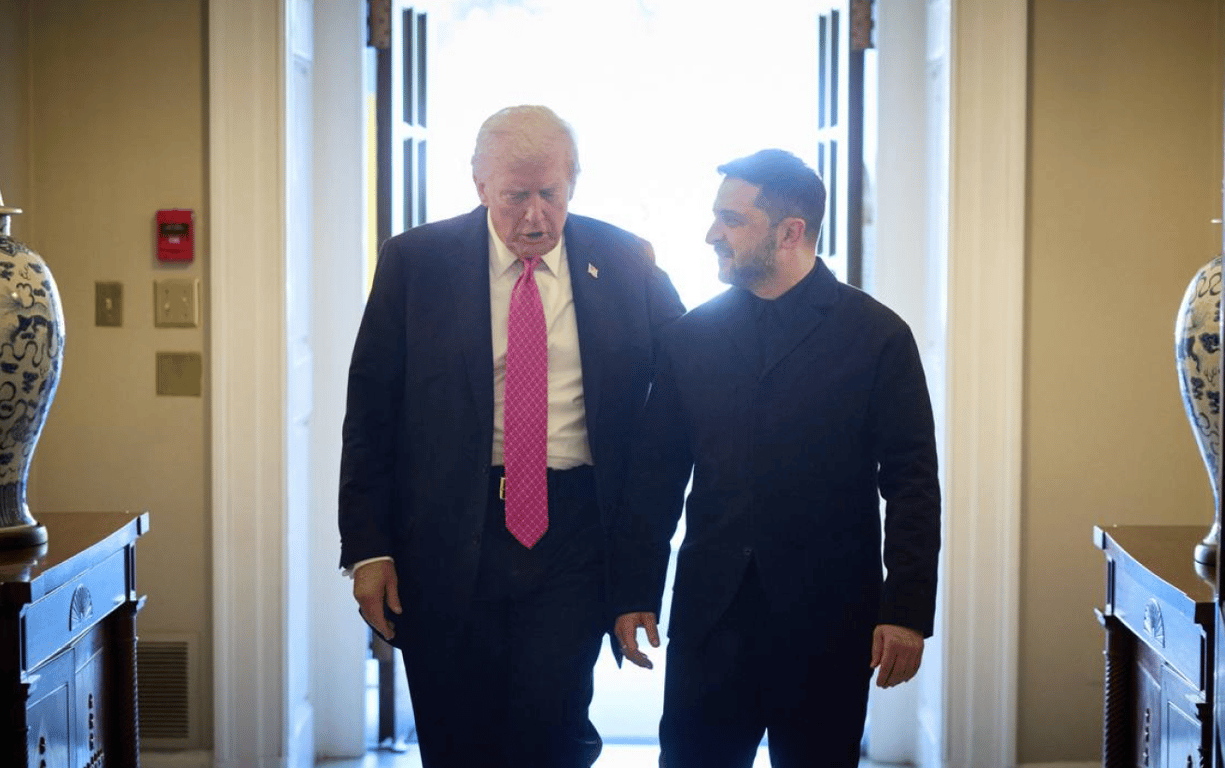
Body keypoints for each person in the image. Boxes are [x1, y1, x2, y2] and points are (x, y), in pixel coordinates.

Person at [339, 104, 685, 767]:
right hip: (446, 532)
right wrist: (368, 549)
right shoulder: (416, 261)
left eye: (549, 194)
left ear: (574, 180)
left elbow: (694, 363)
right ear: (480, 185)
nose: (534, 217)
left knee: (551, 728)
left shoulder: (624, 259)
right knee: (456, 734)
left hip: (573, 532)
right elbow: (371, 413)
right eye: (514, 196)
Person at [610, 149, 941, 767]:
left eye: (732, 219)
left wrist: (907, 611)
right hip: (710, 619)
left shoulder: (878, 337)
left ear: (791, 232)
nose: (712, 234)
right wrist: (633, 591)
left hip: (831, 621)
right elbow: (655, 479)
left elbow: (913, 485)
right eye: (716, 216)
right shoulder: (689, 338)